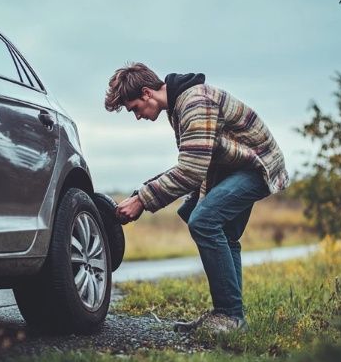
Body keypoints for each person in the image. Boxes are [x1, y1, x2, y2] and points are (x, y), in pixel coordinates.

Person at [104, 62, 289, 333]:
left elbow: (191, 170)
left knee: (204, 221)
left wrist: (143, 200)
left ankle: (229, 316)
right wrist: (139, 194)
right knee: (222, 232)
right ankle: (230, 315)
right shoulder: (180, 105)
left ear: (146, 93)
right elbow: (195, 158)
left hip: (257, 166)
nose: (137, 117)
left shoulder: (194, 102)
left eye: (134, 109)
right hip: (234, 169)